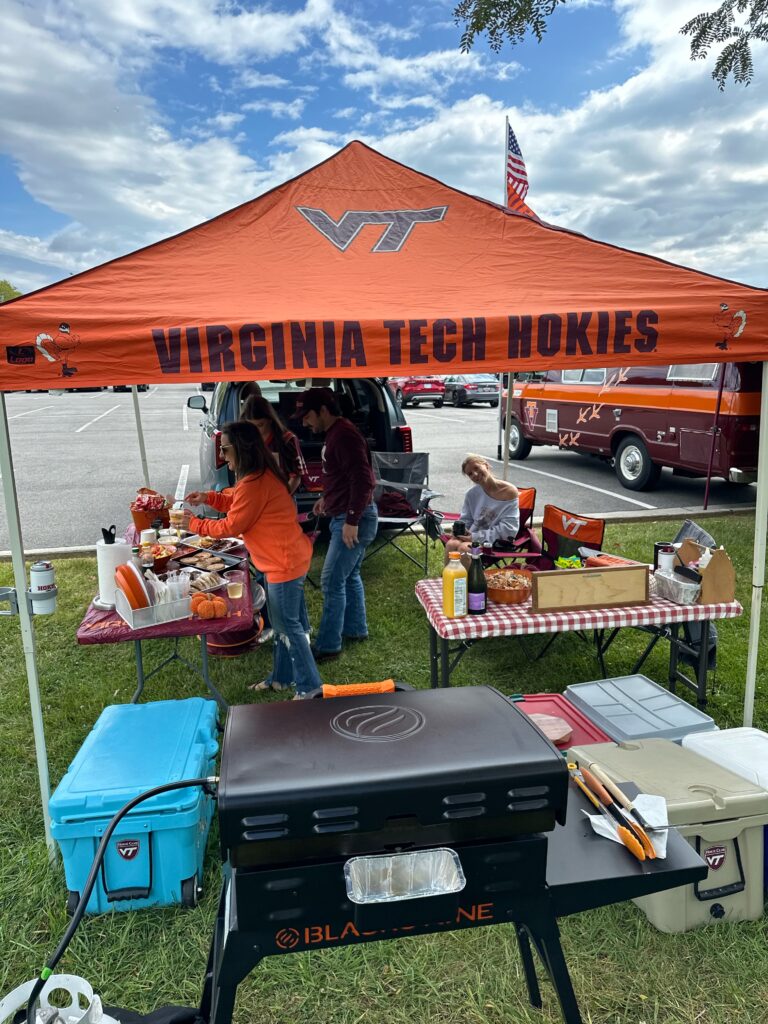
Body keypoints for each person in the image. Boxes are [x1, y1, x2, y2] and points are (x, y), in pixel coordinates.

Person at [184, 420, 321, 700]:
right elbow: (237, 500)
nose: (222, 456)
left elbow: (230, 526)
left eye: (225, 449)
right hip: (284, 560)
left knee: (289, 629)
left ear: (241, 448)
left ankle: (310, 689)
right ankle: (282, 679)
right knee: (285, 626)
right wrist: (208, 498)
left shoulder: (256, 482)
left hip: (283, 564)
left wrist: (194, 524)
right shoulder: (256, 477)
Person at [295, 387, 377, 662]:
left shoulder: (344, 435)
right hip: (346, 513)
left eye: (307, 416)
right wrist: (325, 498)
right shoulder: (337, 433)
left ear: (323, 410)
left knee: (331, 580)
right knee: (348, 575)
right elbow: (341, 476)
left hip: (356, 517)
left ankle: (328, 646)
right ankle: (355, 629)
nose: (304, 422)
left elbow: (363, 480)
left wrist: (352, 519)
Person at [444, 454, 519, 564]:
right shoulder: (472, 494)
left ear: (486, 465)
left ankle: (465, 581)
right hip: (472, 536)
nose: (474, 474)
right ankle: (448, 579)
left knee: (464, 550)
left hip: (496, 542)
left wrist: (475, 538)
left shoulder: (509, 491)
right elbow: (467, 520)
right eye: (470, 474)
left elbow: (508, 530)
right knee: (452, 544)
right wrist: (460, 531)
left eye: (476, 468)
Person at [241, 394, 306, 495]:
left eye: (260, 425)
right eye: (251, 426)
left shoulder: (287, 439)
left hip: (281, 498)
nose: (256, 430)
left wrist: (281, 499)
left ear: (270, 420)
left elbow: (296, 477)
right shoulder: (245, 439)